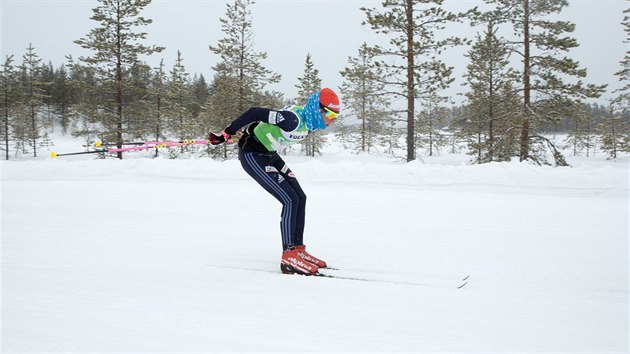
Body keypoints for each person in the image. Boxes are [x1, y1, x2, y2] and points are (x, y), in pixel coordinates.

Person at [208, 87, 340, 276]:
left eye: (336, 116)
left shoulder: (310, 123)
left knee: (300, 197)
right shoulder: (292, 119)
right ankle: (288, 255)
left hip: (270, 155)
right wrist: (227, 132)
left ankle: (297, 249)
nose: (332, 120)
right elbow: (255, 112)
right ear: (317, 110)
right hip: (253, 155)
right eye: (330, 113)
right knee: (289, 199)